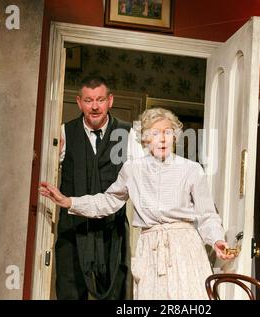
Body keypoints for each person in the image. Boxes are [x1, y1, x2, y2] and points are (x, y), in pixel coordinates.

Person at [41, 108, 235, 300]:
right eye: (155, 133)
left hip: (184, 247)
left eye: (167, 132)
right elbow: (108, 201)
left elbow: (207, 213)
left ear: (174, 136)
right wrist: (69, 202)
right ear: (145, 139)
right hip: (149, 249)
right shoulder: (133, 169)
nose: (162, 138)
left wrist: (217, 239)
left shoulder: (191, 170)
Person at [55, 76, 132, 300]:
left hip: (112, 228)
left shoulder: (128, 134)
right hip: (72, 226)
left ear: (110, 100)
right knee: (70, 291)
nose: (95, 106)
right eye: (89, 100)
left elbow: (142, 179)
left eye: (100, 99)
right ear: (79, 102)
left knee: (116, 294)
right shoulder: (63, 133)